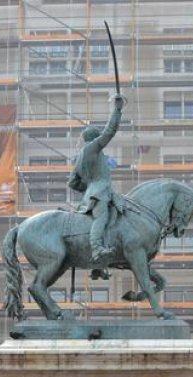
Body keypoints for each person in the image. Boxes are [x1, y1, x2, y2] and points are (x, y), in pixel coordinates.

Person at [69, 92, 126, 261]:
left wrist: (88, 187)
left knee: (113, 221)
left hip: (95, 193)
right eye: (99, 137)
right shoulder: (92, 148)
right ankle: (96, 250)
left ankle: (98, 267)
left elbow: (72, 182)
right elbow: (109, 131)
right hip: (100, 193)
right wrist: (117, 110)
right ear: (94, 138)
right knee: (102, 219)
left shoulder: (80, 157)